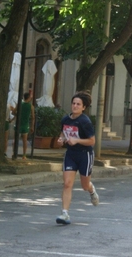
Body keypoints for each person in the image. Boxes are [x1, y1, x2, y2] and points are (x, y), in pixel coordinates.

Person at [56, 91, 99, 225]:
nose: (75, 106)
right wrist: (61, 139)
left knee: (85, 186)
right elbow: (63, 132)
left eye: (78, 104)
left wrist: (77, 140)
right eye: (73, 103)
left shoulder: (85, 121)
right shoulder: (65, 119)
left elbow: (92, 141)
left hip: (84, 155)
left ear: (83, 107)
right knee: (67, 183)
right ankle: (65, 214)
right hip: (71, 154)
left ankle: (92, 191)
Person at [12, 92, 34, 160]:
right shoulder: (31, 106)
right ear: (29, 98)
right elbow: (33, 117)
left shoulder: (19, 104)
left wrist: (17, 115)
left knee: (15, 140)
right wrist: (32, 126)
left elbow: (13, 112)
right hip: (25, 124)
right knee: (25, 140)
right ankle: (24, 155)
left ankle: (14, 153)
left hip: (18, 123)